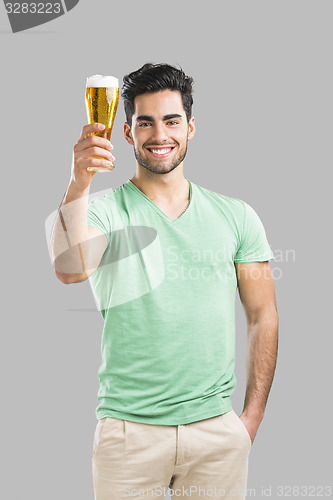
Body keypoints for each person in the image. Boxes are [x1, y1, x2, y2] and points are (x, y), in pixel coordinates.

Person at [49, 63, 279, 500]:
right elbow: (68, 269)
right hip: (127, 435)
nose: (160, 135)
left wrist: (249, 419)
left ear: (191, 127)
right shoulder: (103, 211)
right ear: (127, 133)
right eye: (145, 122)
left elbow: (263, 315)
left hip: (217, 435)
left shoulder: (237, 215)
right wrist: (79, 182)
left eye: (172, 121)